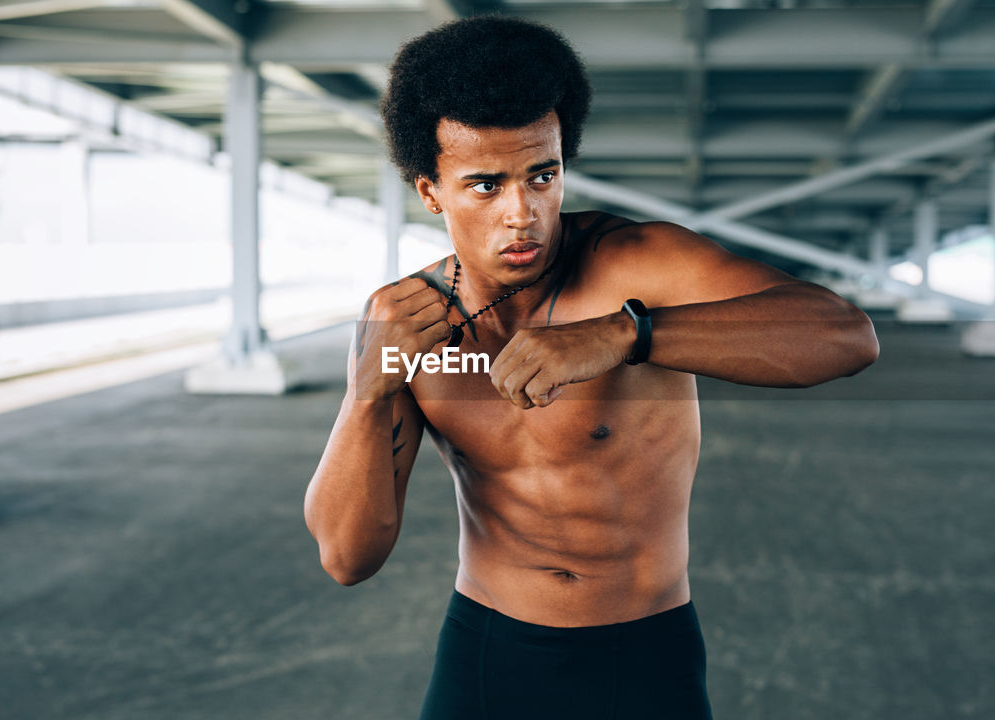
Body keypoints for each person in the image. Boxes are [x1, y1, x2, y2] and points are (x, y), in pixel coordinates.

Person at [303, 15, 879, 720]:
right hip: (487, 651)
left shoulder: (635, 264)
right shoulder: (407, 323)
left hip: (640, 657)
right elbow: (346, 557)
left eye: (542, 176)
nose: (524, 213)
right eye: (486, 186)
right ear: (431, 191)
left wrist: (626, 335)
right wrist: (365, 395)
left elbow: (845, 334)